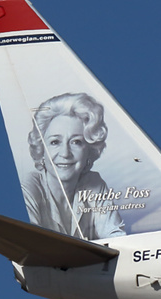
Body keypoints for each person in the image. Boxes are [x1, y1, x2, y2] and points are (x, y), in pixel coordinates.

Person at [22, 93, 127, 238]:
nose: (65, 153)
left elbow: (115, 236)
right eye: (55, 142)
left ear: (90, 150)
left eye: (76, 142)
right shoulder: (30, 187)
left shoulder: (94, 184)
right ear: (41, 149)